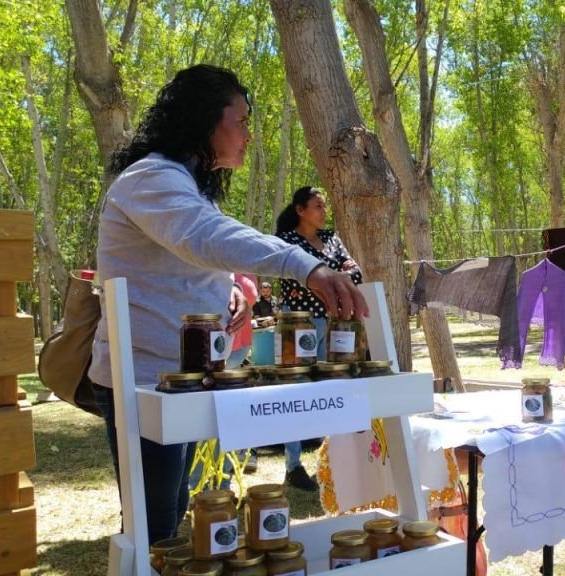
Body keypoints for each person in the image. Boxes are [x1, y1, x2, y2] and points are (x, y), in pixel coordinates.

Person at [88, 64, 367, 544]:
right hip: (142, 379)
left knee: (170, 509)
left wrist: (229, 287)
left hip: (181, 378)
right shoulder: (151, 177)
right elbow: (202, 236)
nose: (248, 135)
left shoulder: (186, 185)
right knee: (152, 525)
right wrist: (305, 265)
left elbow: (188, 255)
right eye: (240, 121)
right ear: (204, 121)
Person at [273, 185, 363, 491]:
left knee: (333, 389)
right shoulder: (287, 241)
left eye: (324, 206)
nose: (324, 212)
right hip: (298, 323)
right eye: (317, 206)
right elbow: (292, 278)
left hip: (333, 323)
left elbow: (355, 271)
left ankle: (332, 462)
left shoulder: (331, 239)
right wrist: (329, 279)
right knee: (295, 393)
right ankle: (293, 466)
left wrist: (328, 279)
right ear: (300, 210)